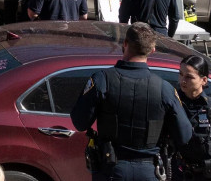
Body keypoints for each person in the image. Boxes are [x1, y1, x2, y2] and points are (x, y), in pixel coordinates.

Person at [70, 22, 193, 181]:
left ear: (125, 43)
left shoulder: (102, 80)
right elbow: (184, 136)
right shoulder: (164, 89)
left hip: (111, 170)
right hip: (150, 171)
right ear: (152, 50)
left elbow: (79, 122)